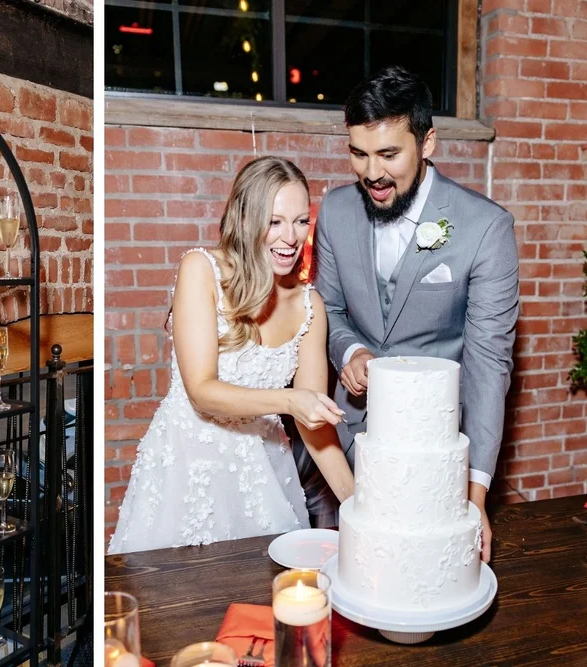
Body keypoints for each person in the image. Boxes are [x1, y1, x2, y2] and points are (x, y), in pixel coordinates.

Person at [312, 65, 519, 562]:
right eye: (358, 154)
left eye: (388, 154)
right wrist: (351, 350)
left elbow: (488, 364)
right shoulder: (336, 212)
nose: (371, 173)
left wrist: (475, 495)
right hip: (344, 441)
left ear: (427, 144)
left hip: (435, 450)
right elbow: (327, 310)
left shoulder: (485, 228)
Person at [107, 156, 354, 554]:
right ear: (245, 218)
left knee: (264, 598)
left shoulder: (310, 305)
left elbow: (314, 424)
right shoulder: (200, 269)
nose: (290, 237)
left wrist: (357, 502)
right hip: (187, 468)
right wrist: (289, 401)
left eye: (300, 221)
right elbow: (201, 390)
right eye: (274, 221)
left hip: (264, 472)